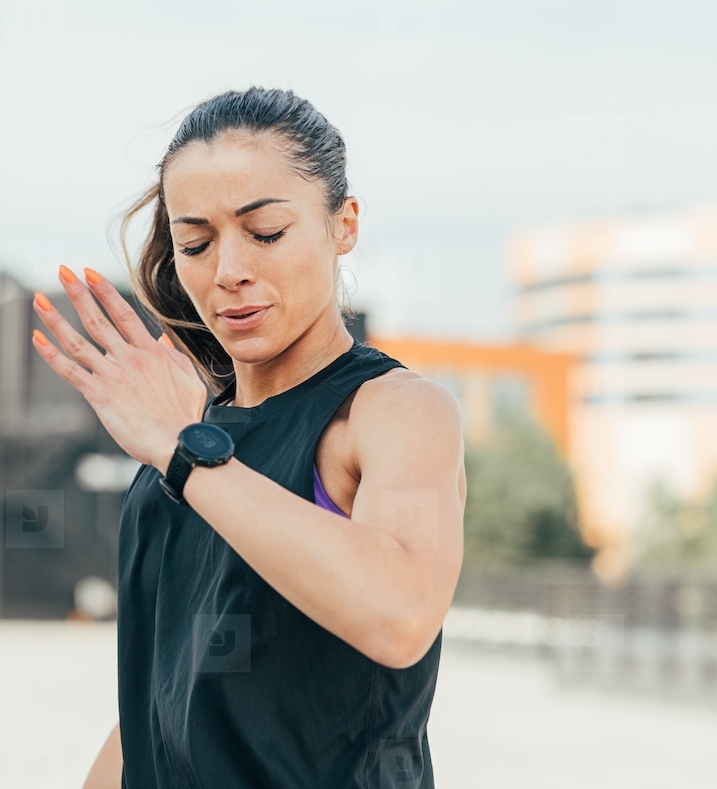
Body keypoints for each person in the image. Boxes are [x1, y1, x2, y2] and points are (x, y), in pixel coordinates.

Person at [30, 86, 466, 789]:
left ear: (343, 225)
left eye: (265, 232)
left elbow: (400, 613)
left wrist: (185, 451)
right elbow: (169, 693)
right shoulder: (188, 441)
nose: (228, 270)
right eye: (195, 242)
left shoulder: (393, 411)